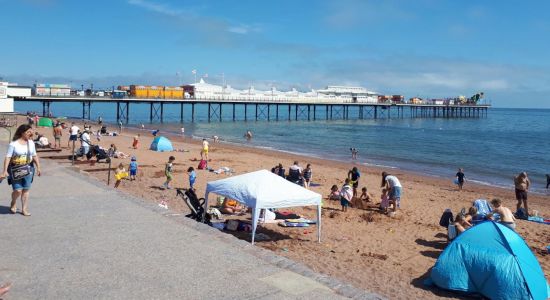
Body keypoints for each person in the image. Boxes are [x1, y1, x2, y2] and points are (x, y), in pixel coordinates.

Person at [1, 124, 41, 216]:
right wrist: (4, 171)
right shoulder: (13, 144)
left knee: (26, 189)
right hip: (15, 169)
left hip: (28, 168)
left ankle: (24, 209)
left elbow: (34, 155)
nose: (30, 133)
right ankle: (13, 202)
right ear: (22, 133)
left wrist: (38, 167)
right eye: (28, 132)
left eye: (31, 131)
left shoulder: (31, 143)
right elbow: (8, 157)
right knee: (18, 190)